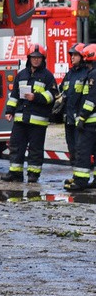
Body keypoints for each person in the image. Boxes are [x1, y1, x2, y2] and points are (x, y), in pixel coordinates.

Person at [0, 43, 58, 183]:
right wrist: (9, 111)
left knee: (35, 149)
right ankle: (15, 173)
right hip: (21, 119)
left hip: (38, 121)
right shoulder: (21, 75)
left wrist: (35, 97)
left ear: (43, 59)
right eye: (33, 57)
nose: (36, 60)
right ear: (29, 58)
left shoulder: (48, 76)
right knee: (16, 146)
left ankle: (33, 174)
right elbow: (14, 95)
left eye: (38, 57)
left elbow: (53, 95)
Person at [64, 43, 96, 191]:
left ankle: (80, 180)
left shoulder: (93, 75)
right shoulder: (89, 73)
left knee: (82, 151)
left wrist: (82, 117)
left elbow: (91, 99)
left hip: (90, 120)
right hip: (89, 119)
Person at [57, 43, 89, 168]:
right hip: (68, 119)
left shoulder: (87, 74)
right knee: (72, 149)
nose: (72, 57)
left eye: (75, 55)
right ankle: (76, 172)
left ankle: (80, 175)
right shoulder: (70, 74)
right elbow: (62, 90)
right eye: (72, 55)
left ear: (83, 56)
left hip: (81, 120)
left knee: (81, 149)